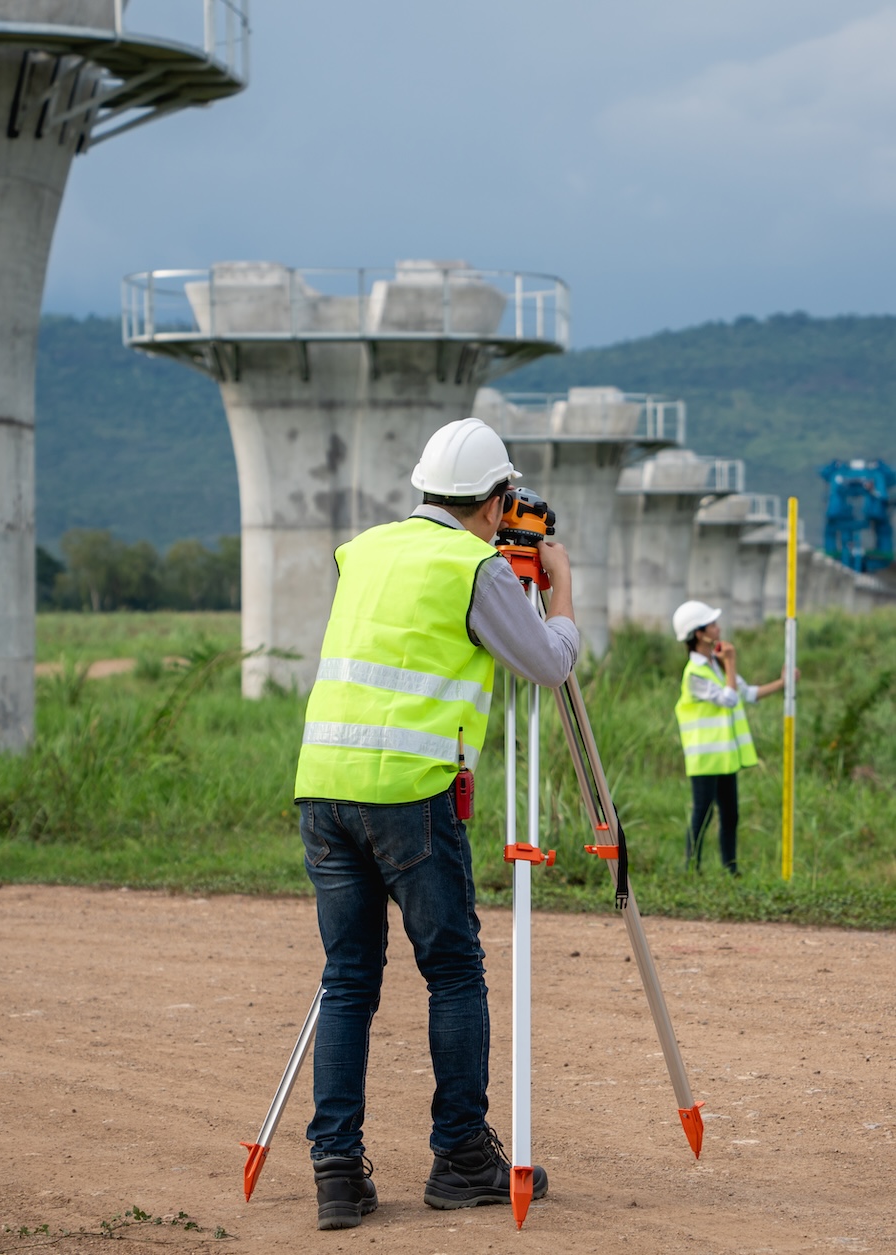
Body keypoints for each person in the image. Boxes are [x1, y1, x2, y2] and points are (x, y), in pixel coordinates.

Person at [293, 418, 580, 1231]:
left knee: (348, 978)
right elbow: (550, 663)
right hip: (409, 794)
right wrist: (554, 585)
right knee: (453, 970)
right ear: (495, 501)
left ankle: (337, 1174)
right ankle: (460, 1156)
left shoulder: (366, 549)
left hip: (323, 789)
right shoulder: (476, 566)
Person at [671, 600, 789, 875]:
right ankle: (691, 868)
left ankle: (731, 869)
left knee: (731, 814)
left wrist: (783, 684)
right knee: (703, 813)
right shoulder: (694, 674)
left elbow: (748, 693)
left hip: (723, 756)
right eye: (712, 624)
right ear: (699, 633)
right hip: (704, 758)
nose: (718, 627)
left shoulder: (716, 665)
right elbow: (729, 698)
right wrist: (732, 663)